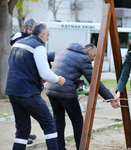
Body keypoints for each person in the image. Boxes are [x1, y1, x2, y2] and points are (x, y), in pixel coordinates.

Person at [5, 22, 66, 150]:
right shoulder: (38, 46)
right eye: (48, 35)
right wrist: (58, 79)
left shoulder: (17, 43)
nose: (48, 38)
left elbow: (20, 68)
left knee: (22, 130)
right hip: (28, 93)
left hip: (12, 92)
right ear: (42, 34)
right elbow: (45, 73)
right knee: (50, 124)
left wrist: (37, 78)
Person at [45, 43, 114, 150]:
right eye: (94, 55)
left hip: (51, 90)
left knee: (58, 121)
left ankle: (60, 148)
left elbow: (44, 56)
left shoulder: (61, 51)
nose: (94, 58)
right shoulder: (84, 58)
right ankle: (80, 147)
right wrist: (110, 98)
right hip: (66, 93)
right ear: (89, 50)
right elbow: (95, 82)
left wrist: (49, 74)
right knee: (78, 122)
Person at [9, 18, 37, 145]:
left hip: (22, 80)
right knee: (21, 112)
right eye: (30, 30)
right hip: (19, 79)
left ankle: (25, 133)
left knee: (25, 111)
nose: (31, 33)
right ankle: (21, 135)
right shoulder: (19, 38)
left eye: (33, 30)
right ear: (24, 28)